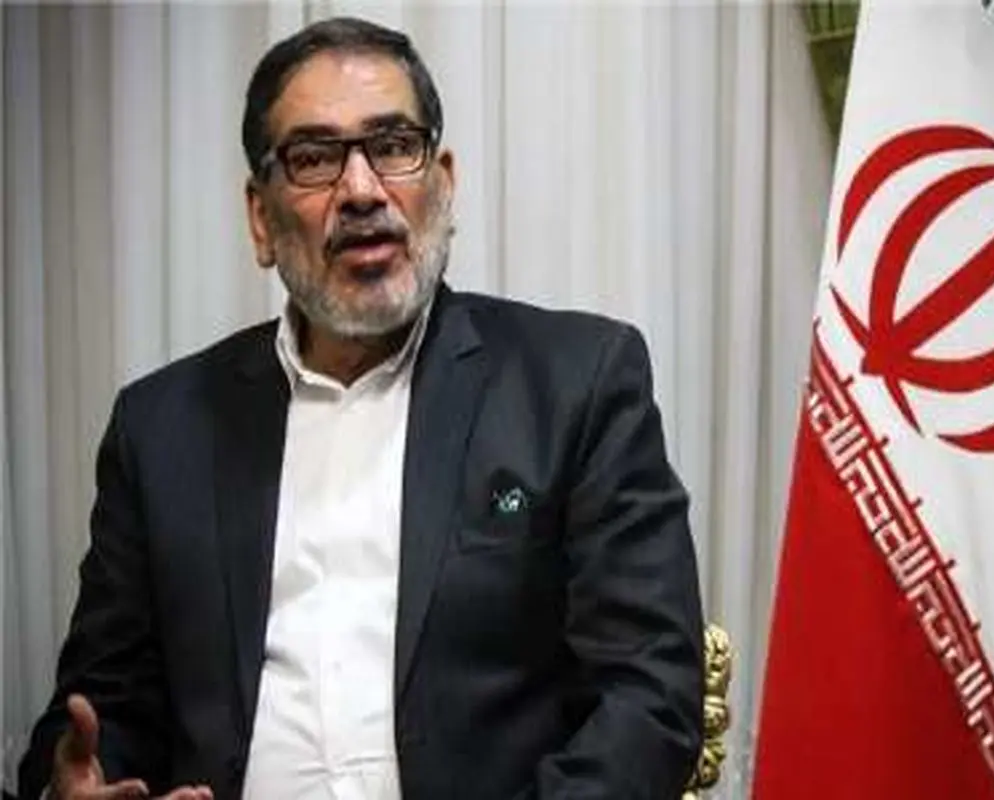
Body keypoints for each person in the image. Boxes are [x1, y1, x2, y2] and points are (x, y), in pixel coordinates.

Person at [17, 17, 704, 800]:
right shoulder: (160, 429)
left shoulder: (575, 383)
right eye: (314, 159)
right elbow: (99, 712)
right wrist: (73, 787)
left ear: (443, 183)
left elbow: (649, 694)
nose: (362, 190)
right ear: (259, 218)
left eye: (393, 146)